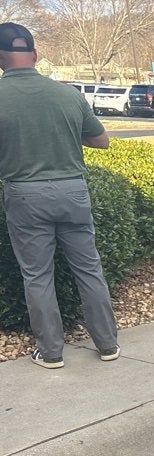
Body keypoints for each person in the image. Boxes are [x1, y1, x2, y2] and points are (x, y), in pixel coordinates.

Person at [0, 22, 119, 369]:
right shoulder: (69, 94)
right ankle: (108, 344)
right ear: (35, 55)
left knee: (37, 275)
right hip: (73, 191)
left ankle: (51, 352)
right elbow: (101, 140)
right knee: (89, 269)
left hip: (25, 195)